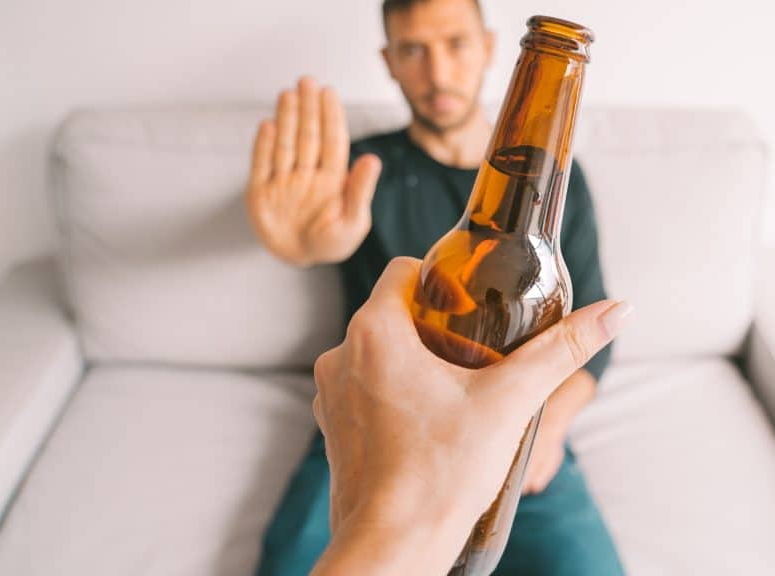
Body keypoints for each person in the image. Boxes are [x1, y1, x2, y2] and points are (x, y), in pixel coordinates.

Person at [245, 0, 624, 573]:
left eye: (454, 44)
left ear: (490, 49)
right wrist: (299, 246)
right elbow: (326, 236)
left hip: (513, 421)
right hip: (377, 411)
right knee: (288, 561)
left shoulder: (558, 191)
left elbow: (594, 335)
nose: (438, 73)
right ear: (389, 61)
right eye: (413, 50)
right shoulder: (361, 168)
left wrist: (550, 426)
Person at [306, 258, 633, 574]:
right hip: (371, 417)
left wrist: (548, 426)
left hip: (523, 430)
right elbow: (310, 237)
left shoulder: (566, 207)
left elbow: (591, 350)